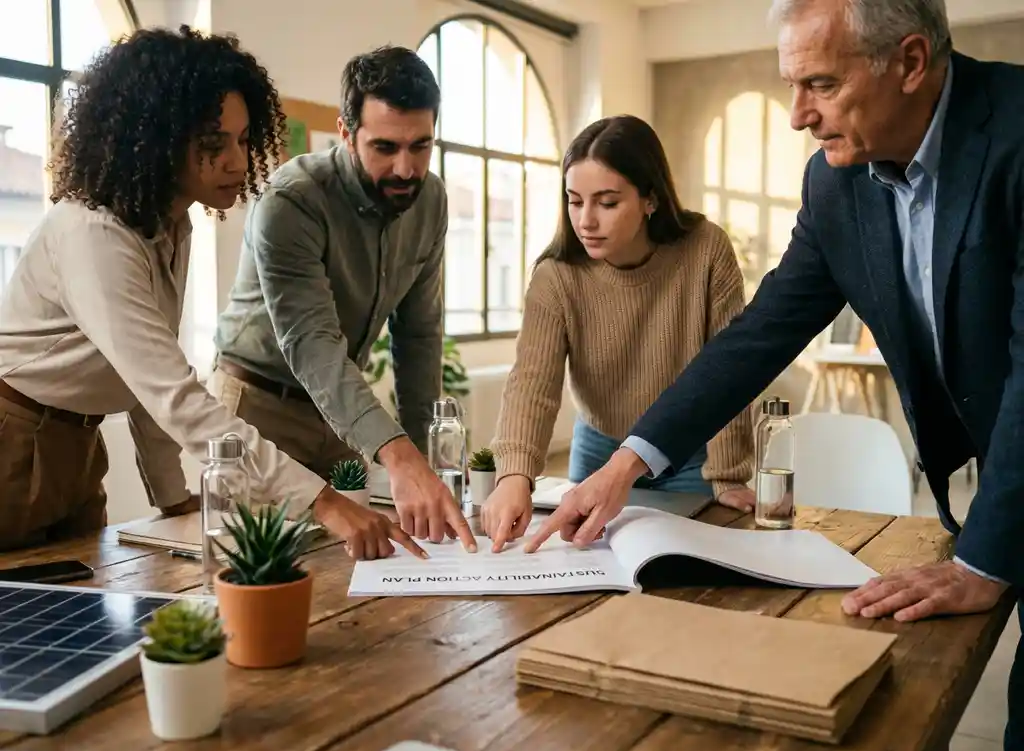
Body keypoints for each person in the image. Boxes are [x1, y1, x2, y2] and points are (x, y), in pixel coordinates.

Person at [525, 0, 1024, 751]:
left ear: (912, 62)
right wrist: (627, 462)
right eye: (792, 86)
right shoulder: (837, 183)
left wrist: (983, 560)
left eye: (819, 84)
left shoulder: (1017, 133)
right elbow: (754, 338)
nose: (798, 116)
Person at [0, 25, 426, 562]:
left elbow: (147, 382)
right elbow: (172, 396)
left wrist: (173, 502)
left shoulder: (171, 225)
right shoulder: (93, 232)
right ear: (155, 139)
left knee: (79, 610)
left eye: (244, 140)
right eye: (211, 145)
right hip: (13, 439)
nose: (236, 162)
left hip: (78, 446)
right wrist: (325, 504)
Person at [209, 45, 474, 551]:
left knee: (360, 567)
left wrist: (420, 459)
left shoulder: (430, 200)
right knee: (256, 574)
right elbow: (312, 343)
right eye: (385, 147)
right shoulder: (291, 202)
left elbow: (418, 335)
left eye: (421, 146)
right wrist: (397, 457)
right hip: (258, 409)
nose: (405, 168)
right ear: (347, 134)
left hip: (337, 415)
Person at [481, 115, 756, 552]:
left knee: (682, 579)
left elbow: (730, 365)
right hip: (599, 450)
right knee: (592, 572)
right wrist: (514, 476)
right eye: (574, 201)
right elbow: (531, 384)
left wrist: (727, 475)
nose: (586, 220)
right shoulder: (556, 276)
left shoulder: (706, 250)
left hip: (690, 456)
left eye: (606, 203)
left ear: (650, 199)